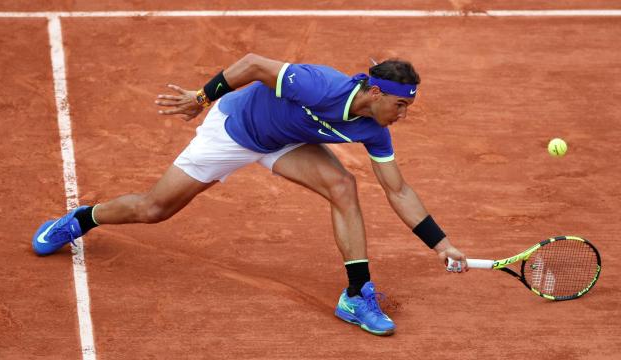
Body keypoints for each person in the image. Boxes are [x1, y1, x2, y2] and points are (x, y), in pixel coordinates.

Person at [32, 53, 468, 336]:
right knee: (154, 208)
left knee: (342, 185)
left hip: (286, 143)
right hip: (234, 130)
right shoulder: (320, 85)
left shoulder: (375, 129)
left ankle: (356, 295)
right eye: (401, 106)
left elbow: (398, 189)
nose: (403, 115)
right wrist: (201, 97)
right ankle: (84, 218)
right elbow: (254, 65)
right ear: (376, 93)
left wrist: (440, 243)